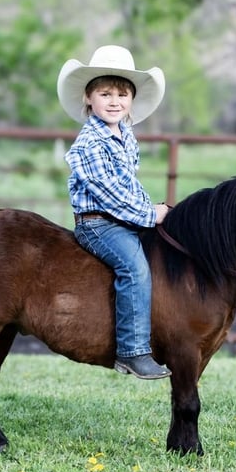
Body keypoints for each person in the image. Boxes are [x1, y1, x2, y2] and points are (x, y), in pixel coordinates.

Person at [57, 44, 171, 380]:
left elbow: (129, 186)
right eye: (105, 93)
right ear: (88, 99)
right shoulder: (90, 143)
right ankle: (132, 350)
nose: (114, 101)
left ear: (132, 100)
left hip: (122, 217)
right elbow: (111, 196)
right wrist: (151, 215)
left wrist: (153, 207)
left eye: (122, 94)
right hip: (99, 225)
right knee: (134, 268)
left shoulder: (124, 135)